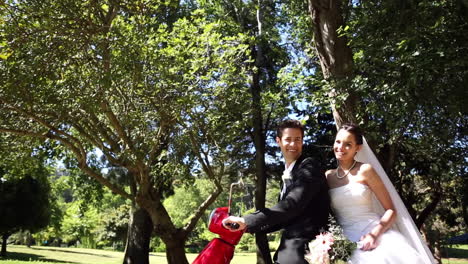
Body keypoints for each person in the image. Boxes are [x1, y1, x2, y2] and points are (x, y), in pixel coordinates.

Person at [223, 119, 331, 264]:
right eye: (288, 139)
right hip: (288, 248)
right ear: (278, 141)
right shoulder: (289, 172)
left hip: (306, 249)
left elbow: (292, 205)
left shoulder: (309, 167)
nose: (293, 144)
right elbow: (283, 217)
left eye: (297, 139)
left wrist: (247, 220)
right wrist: (245, 226)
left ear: (302, 141)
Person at [326, 124, 436, 263]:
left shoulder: (365, 170)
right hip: (344, 240)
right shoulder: (328, 176)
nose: (341, 147)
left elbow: (391, 210)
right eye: (338, 141)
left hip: (374, 235)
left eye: (348, 144)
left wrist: (374, 235)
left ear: (357, 148)